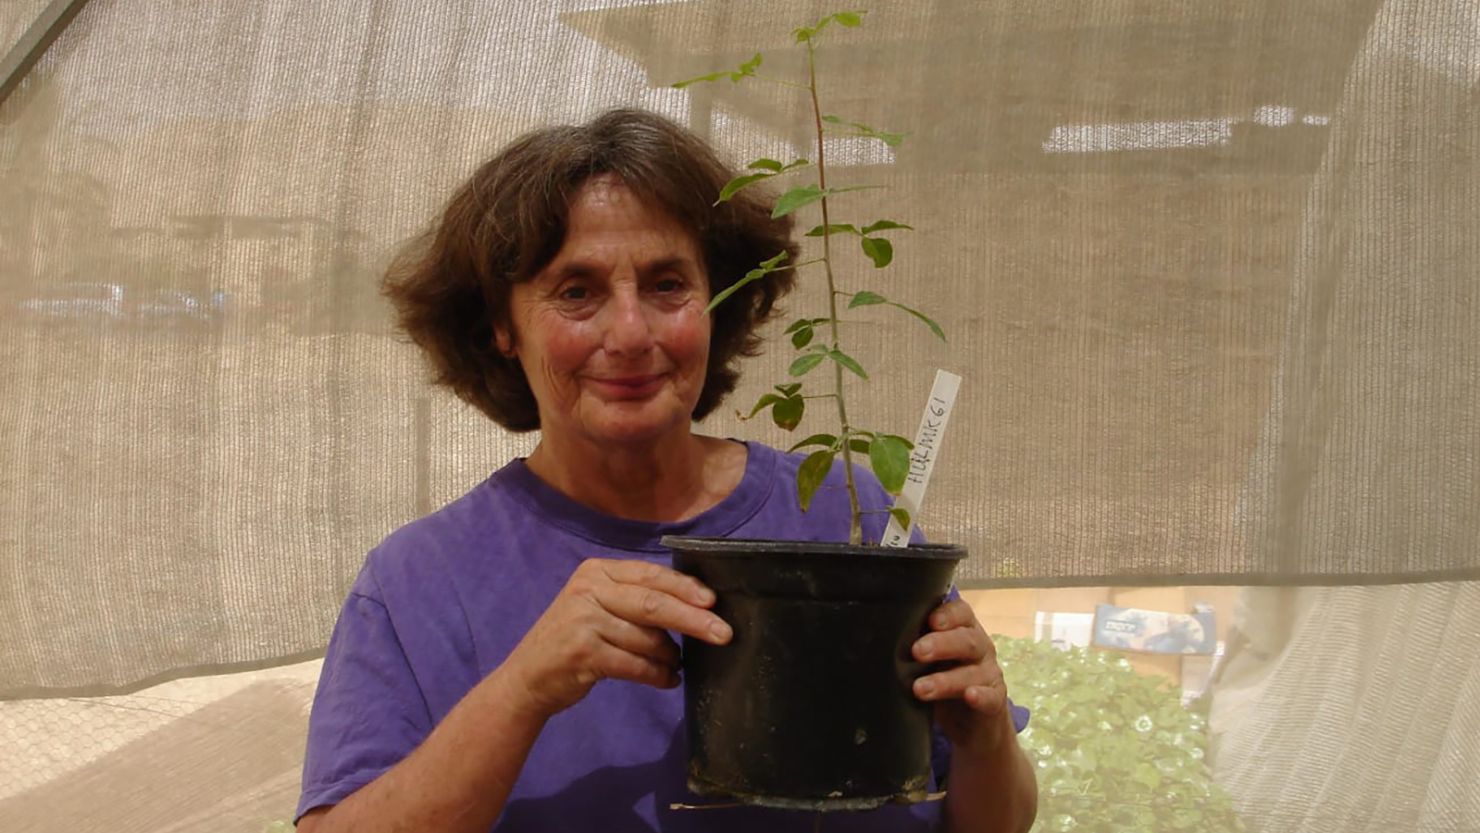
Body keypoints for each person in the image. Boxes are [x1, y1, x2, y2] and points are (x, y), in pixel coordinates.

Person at [294, 108, 1037, 833]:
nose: (631, 332)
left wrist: (985, 737)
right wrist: (523, 689)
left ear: (722, 304)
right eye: (577, 291)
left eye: (667, 284)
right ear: (500, 325)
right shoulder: (421, 581)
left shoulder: (848, 516)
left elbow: (993, 819)